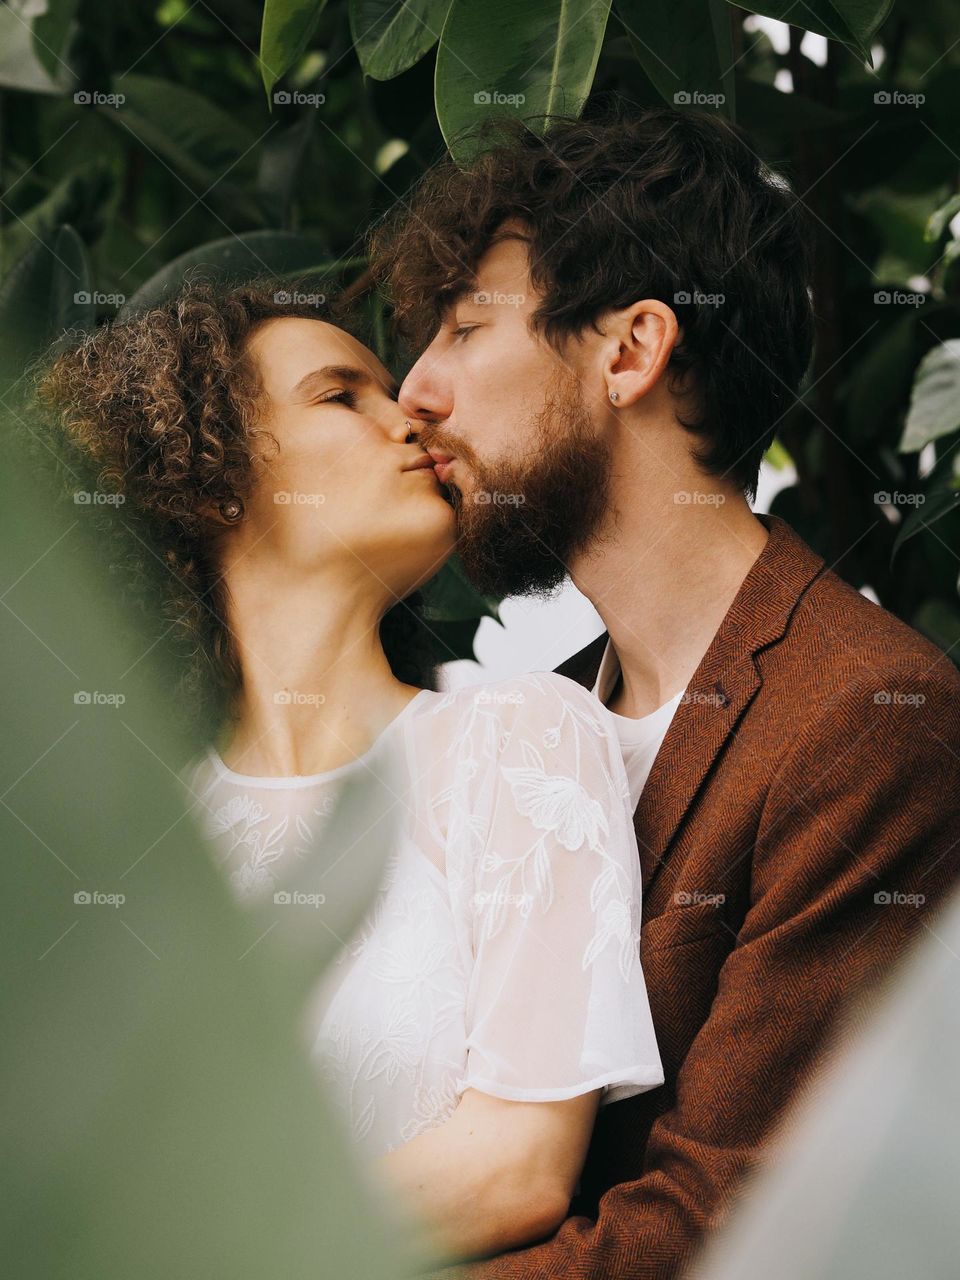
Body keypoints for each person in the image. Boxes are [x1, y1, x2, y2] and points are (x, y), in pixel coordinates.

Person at [368, 105, 960, 1279]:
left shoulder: (869, 721)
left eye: (463, 329)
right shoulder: (530, 726)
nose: (413, 390)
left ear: (633, 352)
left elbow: (718, 1235)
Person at [37, 281, 665, 1265]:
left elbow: (514, 1165)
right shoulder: (136, 832)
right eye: (342, 394)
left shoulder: (520, 739)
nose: (408, 411)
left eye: (390, 388)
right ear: (209, 474)